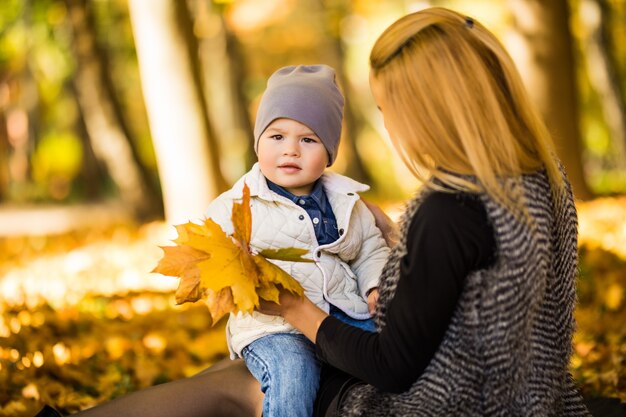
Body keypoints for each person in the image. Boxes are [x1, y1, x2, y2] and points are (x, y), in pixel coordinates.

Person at [257, 7, 592, 417]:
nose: (388, 124)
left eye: (385, 109)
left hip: (433, 406)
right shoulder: (541, 173)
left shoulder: (446, 210)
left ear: (425, 111)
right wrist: (400, 241)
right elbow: (483, 274)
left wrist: (295, 308)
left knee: (241, 384)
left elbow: (391, 367)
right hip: (536, 398)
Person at [200, 64, 389, 417]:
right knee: (293, 375)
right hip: (275, 328)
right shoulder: (237, 205)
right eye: (277, 137)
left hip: (341, 315)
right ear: (258, 142)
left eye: (308, 139)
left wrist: (374, 287)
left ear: (329, 150)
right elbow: (210, 258)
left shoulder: (346, 201)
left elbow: (368, 250)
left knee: (390, 353)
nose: (291, 150)